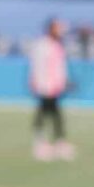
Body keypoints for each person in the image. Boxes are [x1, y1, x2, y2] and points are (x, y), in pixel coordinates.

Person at [28, 18, 74, 162]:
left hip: (55, 86)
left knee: (55, 113)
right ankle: (41, 142)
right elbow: (38, 66)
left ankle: (59, 141)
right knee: (44, 113)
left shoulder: (57, 45)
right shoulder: (42, 45)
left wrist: (64, 81)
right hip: (46, 86)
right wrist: (39, 83)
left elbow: (60, 67)